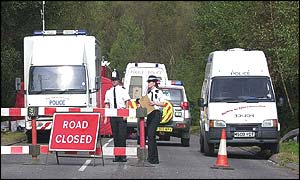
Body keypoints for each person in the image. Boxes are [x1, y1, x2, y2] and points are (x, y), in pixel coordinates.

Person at [104, 69, 131, 162]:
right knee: (115, 135)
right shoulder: (109, 92)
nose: (113, 81)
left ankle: (123, 156)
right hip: (112, 115)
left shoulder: (123, 90)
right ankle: (117, 156)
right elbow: (107, 104)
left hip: (121, 114)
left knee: (122, 135)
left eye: (115, 79)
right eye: (112, 79)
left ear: (118, 80)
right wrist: (106, 116)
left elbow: (127, 102)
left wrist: (125, 114)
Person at [146, 75, 166, 164]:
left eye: (150, 82)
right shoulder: (148, 93)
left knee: (151, 134)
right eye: (148, 82)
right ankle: (151, 157)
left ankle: (154, 158)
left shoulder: (159, 92)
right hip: (150, 114)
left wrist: (155, 102)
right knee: (150, 136)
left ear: (154, 83)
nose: (148, 83)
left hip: (156, 114)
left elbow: (163, 103)